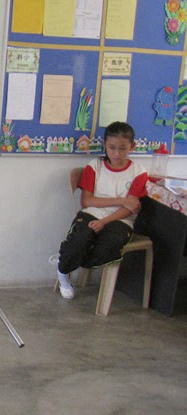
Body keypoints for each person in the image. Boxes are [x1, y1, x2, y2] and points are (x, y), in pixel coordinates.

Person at [55, 121, 148, 300]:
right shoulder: (95, 166)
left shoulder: (139, 172)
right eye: (112, 148)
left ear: (132, 146)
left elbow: (130, 209)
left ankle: (70, 259)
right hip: (92, 212)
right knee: (79, 240)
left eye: (123, 148)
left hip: (121, 219)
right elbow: (87, 201)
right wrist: (122, 200)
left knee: (110, 246)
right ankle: (63, 273)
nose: (116, 153)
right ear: (105, 144)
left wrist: (104, 222)